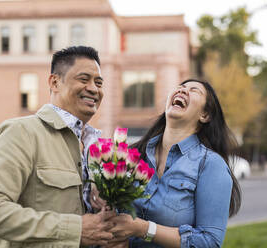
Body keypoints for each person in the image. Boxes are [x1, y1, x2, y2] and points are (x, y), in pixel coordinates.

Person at [0, 46, 116, 248]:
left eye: (99, 82)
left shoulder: (97, 148)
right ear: (54, 82)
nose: (93, 88)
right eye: (84, 79)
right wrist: (74, 229)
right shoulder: (21, 132)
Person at [92, 79, 241, 248]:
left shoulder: (210, 165)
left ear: (204, 115)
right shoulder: (132, 155)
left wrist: (143, 229)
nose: (183, 91)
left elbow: (209, 242)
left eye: (194, 90)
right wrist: (98, 191)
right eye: (180, 87)